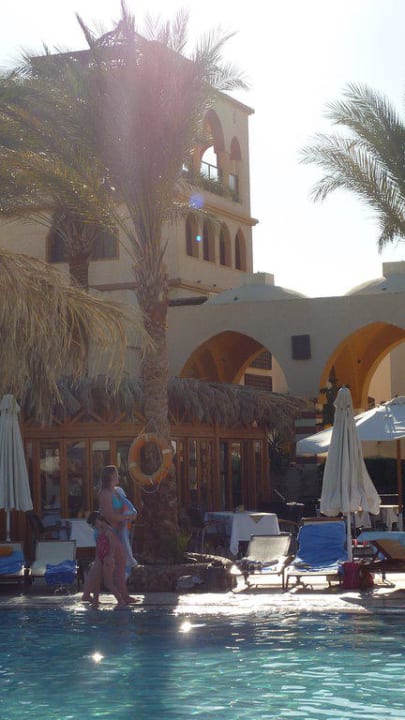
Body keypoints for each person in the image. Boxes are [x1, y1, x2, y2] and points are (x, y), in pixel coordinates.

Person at [82, 465, 137, 605]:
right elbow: (109, 515)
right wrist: (126, 517)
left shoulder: (117, 492)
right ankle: (123, 596)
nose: (118, 476)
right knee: (120, 562)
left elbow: (123, 509)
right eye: (116, 474)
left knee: (99, 565)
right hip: (107, 533)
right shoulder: (105, 494)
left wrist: (129, 515)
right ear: (111, 476)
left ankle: (88, 594)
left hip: (114, 532)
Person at [83, 511, 127, 608]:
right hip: (101, 558)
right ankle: (95, 602)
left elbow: (113, 545)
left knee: (108, 583)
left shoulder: (108, 531)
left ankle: (121, 600)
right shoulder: (100, 531)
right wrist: (97, 559)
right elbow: (99, 547)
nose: (94, 526)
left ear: (99, 520)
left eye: (95, 523)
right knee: (96, 580)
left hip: (108, 559)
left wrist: (110, 557)